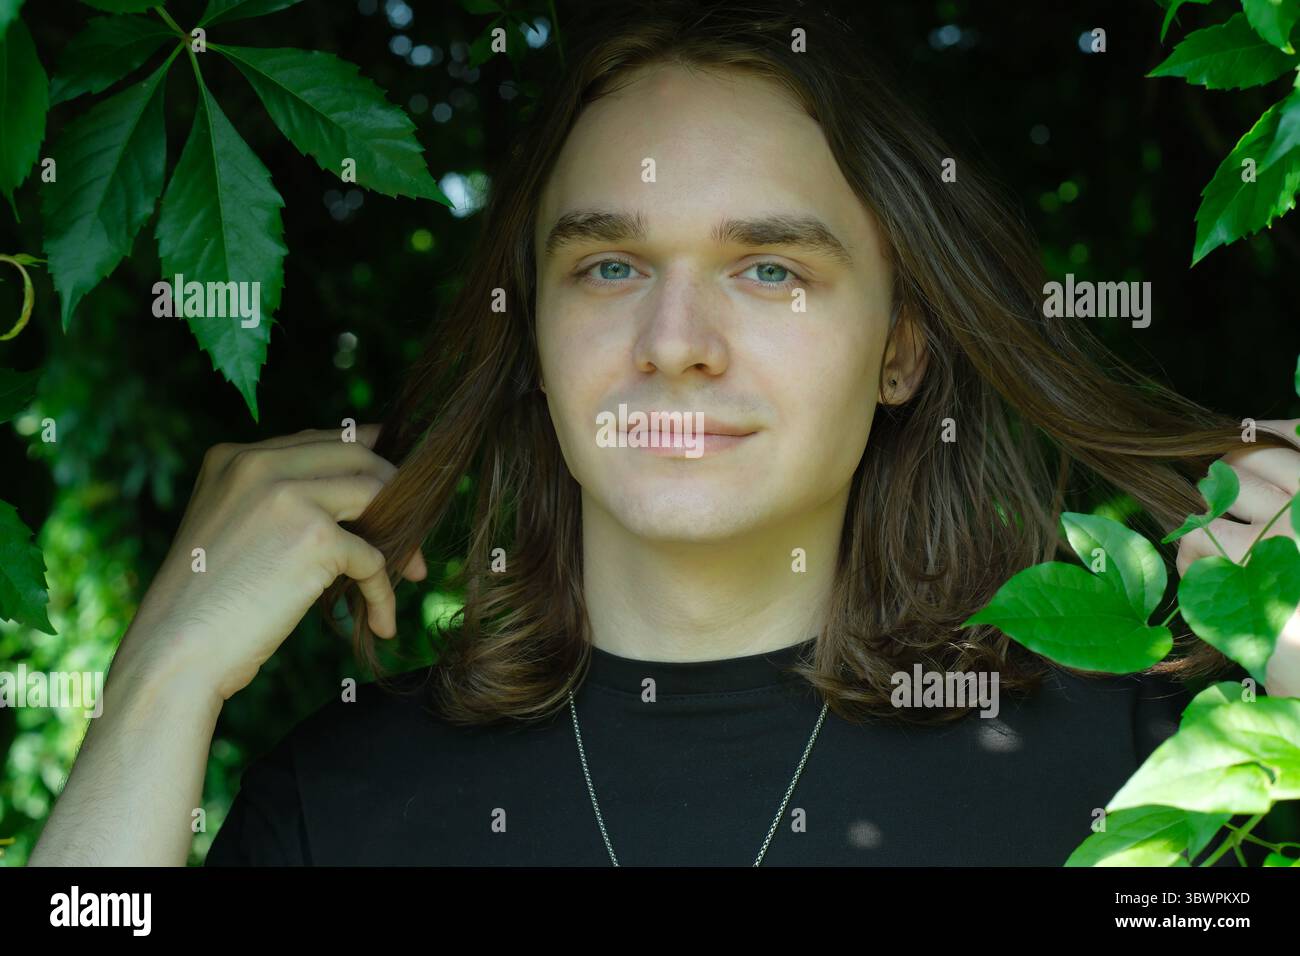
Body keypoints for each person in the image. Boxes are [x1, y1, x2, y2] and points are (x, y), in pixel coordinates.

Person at [30, 0, 1300, 867]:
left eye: (768, 270)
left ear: (902, 347)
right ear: (531, 330)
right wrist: (157, 681)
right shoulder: (343, 803)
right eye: (609, 267)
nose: (674, 340)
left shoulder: (1154, 772)